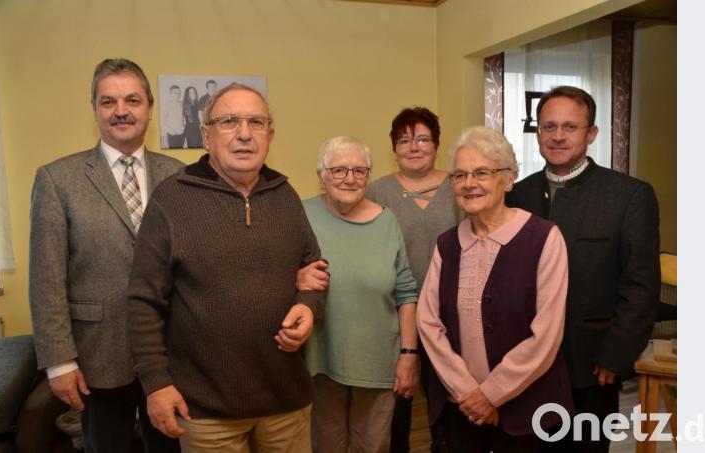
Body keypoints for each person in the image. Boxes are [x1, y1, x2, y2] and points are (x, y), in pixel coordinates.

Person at [127, 83, 325, 453]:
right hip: (206, 412)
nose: (245, 133)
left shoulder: (285, 195)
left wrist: (307, 306)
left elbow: (313, 271)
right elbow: (143, 302)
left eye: (256, 122)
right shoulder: (172, 199)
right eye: (229, 121)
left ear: (270, 135)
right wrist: (156, 384)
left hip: (286, 402)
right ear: (206, 134)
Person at [28, 58, 184, 453]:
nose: (121, 111)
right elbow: (46, 279)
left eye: (132, 100)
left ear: (149, 106)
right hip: (96, 353)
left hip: (171, 352)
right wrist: (59, 362)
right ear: (95, 109)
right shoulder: (57, 179)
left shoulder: (180, 175)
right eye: (108, 101)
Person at [506, 85, 660, 452]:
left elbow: (641, 286)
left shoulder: (629, 196)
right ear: (537, 132)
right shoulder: (516, 195)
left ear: (591, 134)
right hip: (522, 364)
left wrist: (615, 355)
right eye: (548, 126)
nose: (558, 136)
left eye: (570, 127)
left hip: (590, 367)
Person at [417, 126, 573, 452]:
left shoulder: (543, 238)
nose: (469, 183)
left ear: (509, 178)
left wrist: (490, 394)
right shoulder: (447, 244)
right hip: (461, 410)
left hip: (529, 413)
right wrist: (467, 393)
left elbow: (546, 334)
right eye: (459, 175)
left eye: (482, 173)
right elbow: (429, 323)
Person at [302, 136, 419, 453]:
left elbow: (406, 292)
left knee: (373, 446)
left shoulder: (387, 220)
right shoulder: (302, 215)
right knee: (325, 446)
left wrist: (409, 355)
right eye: (339, 170)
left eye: (359, 170)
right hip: (320, 360)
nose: (350, 179)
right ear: (321, 175)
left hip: (378, 361)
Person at [366, 107, 461, 453]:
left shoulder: (460, 184)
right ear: (394, 148)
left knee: (446, 395)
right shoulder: (377, 191)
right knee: (398, 399)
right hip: (395, 314)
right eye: (404, 140)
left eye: (422, 138)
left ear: (436, 143)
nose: (414, 147)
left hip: (450, 313)